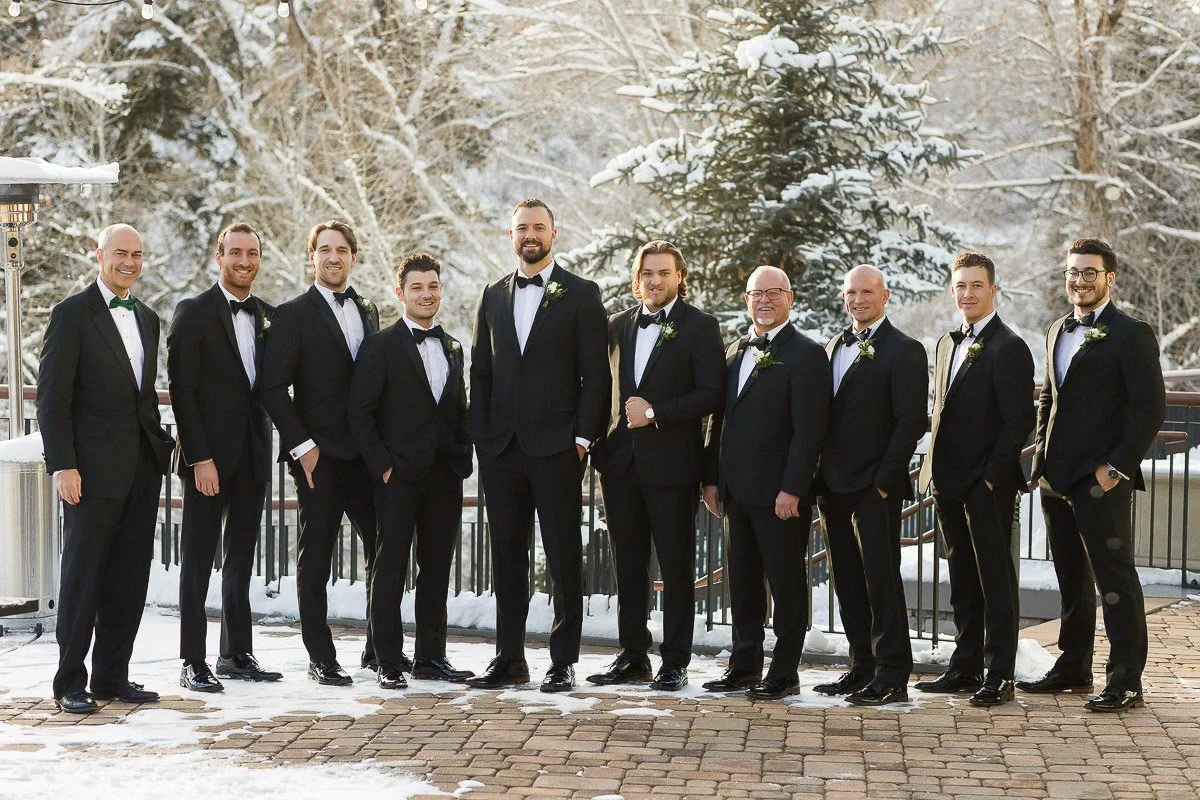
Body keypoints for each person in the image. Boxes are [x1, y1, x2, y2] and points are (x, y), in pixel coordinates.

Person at [466, 199, 610, 692]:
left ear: (555, 233)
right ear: (511, 236)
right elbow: (481, 371)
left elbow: (597, 374)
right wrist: (482, 437)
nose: (530, 235)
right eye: (521, 228)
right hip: (502, 451)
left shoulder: (582, 294)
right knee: (508, 558)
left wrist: (581, 439)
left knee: (564, 557)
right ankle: (508, 658)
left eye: (539, 227)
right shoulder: (492, 295)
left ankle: (563, 660)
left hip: (557, 451)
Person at [1018, 238, 1165, 712]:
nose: (1079, 280)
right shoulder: (1056, 329)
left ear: (1109, 279)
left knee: (1115, 581)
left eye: (1089, 273)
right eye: (1073, 272)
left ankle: (1126, 681)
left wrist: (1114, 469)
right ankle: (1073, 666)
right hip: (1055, 480)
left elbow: (1149, 409)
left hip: (1101, 482)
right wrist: (1039, 460)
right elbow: (1048, 398)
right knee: (1070, 578)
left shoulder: (1131, 334)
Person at [36, 223, 176, 713]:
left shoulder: (149, 317)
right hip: (90, 474)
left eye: (137, 254)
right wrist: (64, 466)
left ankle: (113, 677)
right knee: (82, 577)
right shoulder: (71, 315)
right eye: (120, 253)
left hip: (141, 469)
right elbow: (53, 401)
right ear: (99, 255)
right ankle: (69, 680)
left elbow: (142, 398)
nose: (129, 263)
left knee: (128, 578)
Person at [588, 241, 725, 691]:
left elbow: (711, 395)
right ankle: (632, 656)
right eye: (647, 273)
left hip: (673, 468)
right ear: (637, 278)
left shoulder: (700, 327)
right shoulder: (616, 326)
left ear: (679, 277)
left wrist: (656, 412)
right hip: (619, 465)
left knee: (676, 566)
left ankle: (675, 661)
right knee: (627, 568)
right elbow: (601, 390)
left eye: (664, 273)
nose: (654, 280)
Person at [700, 266, 831, 700]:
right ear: (746, 300)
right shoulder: (736, 351)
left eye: (774, 293)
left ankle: (786, 671)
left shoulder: (807, 354)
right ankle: (743, 666)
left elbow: (809, 431)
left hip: (780, 495)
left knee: (787, 585)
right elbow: (720, 422)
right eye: (757, 293)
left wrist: (793, 489)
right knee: (744, 583)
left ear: (790, 298)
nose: (765, 301)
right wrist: (712, 480)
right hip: (736, 492)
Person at [260, 220, 381, 685]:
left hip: (368, 457)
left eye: (343, 250)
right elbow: (272, 387)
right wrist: (303, 448)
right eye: (325, 250)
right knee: (317, 559)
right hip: (318, 459)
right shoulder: (292, 315)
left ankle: (378, 647)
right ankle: (321, 656)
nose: (334, 257)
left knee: (384, 551)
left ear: (354, 256)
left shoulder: (368, 310)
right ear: (312, 257)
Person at [348, 253, 475, 690]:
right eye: (417, 287)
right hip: (396, 476)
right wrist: (382, 468)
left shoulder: (454, 345)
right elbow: (360, 413)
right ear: (400, 293)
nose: (427, 294)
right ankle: (387, 659)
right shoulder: (379, 346)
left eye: (433, 286)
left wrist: (463, 452)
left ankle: (430, 657)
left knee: (437, 568)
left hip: (445, 476)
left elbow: (458, 408)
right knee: (391, 568)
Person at [915, 252, 1034, 707]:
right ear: (952, 290)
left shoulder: (1009, 346)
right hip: (948, 481)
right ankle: (964, 666)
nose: (967, 293)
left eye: (977, 285)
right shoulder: (947, 343)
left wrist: (988, 479)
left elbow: (1016, 421)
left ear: (993, 290)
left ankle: (999, 672)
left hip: (987, 485)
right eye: (961, 285)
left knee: (994, 579)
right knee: (962, 576)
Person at [168, 222, 281, 693]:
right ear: (219, 257)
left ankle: (236, 653)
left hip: (254, 456)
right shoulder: (193, 313)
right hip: (207, 461)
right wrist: (200, 458)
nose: (244, 261)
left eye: (252, 253)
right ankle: (192, 660)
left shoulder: (271, 316)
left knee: (240, 561)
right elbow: (182, 391)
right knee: (196, 562)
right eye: (235, 252)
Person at [814, 264, 927, 706]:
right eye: (850, 293)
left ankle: (893, 673)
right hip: (832, 485)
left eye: (866, 292)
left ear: (886, 296)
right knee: (847, 579)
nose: (857, 300)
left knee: (881, 579)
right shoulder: (831, 347)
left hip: (874, 486)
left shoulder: (904, 349)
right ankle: (861, 666)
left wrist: (883, 481)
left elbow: (911, 419)